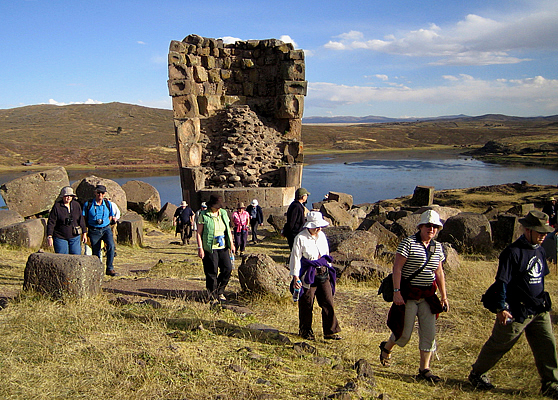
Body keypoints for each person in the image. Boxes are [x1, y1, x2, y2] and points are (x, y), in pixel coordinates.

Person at [468, 210, 558, 398]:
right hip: (516, 309)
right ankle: (477, 373)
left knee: (547, 345)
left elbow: (541, 277)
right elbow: (502, 282)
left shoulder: (540, 250)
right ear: (527, 230)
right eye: (539, 232)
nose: (543, 236)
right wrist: (501, 307)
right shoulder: (512, 252)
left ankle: (550, 383)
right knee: (500, 344)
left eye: (545, 233)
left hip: (538, 308)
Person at [379, 209, 448, 383]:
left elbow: (439, 272)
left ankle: (424, 369)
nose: (431, 229)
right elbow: (397, 268)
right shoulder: (408, 243)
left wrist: (444, 296)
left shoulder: (437, 247)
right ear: (421, 226)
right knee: (404, 333)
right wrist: (397, 292)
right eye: (428, 226)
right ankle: (387, 347)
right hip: (408, 294)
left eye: (434, 227)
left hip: (428, 295)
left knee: (429, 333)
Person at [289, 211, 341, 341]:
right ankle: (305, 331)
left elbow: (326, 254)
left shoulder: (322, 236)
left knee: (328, 301)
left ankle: (330, 331)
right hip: (308, 273)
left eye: (320, 226)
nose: (318, 229)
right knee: (307, 303)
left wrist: (329, 268)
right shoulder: (300, 238)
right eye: (316, 226)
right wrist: (296, 277)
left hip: (323, 271)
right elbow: (295, 258)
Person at [196, 195, 235, 301]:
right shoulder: (203, 215)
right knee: (211, 271)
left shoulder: (223, 213)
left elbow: (228, 229)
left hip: (222, 246)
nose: (218, 208)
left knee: (227, 268)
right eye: (216, 206)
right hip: (209, 248)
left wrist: (231, 243)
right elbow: (199, 233)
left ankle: (220, 291)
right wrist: (200, 248)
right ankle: (212, 294)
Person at [83, 184, 117, 276]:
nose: (100, 195)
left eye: (102, 193)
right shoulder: (88, 204)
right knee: (96, 251)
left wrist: (107, 222)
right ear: (95, 193)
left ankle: (110, 268)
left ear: (105, 194)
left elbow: (111, 215)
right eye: (98, 192)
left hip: (106, 229)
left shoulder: (107, 203)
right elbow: (84, 217)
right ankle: (97, 270)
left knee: (111, 246)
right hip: (93, 230)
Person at [46, 186, 86, 254]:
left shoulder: (76, 205)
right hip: (60, 237)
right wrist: (49, 236)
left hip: (75, 236)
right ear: (62, 196)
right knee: (63, 258)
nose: (68, 197)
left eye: (70, 196)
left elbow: (81, 219)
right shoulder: (57, 206)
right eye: (66, 196)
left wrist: (84, 233)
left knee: (76, 257)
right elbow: (51, 222)